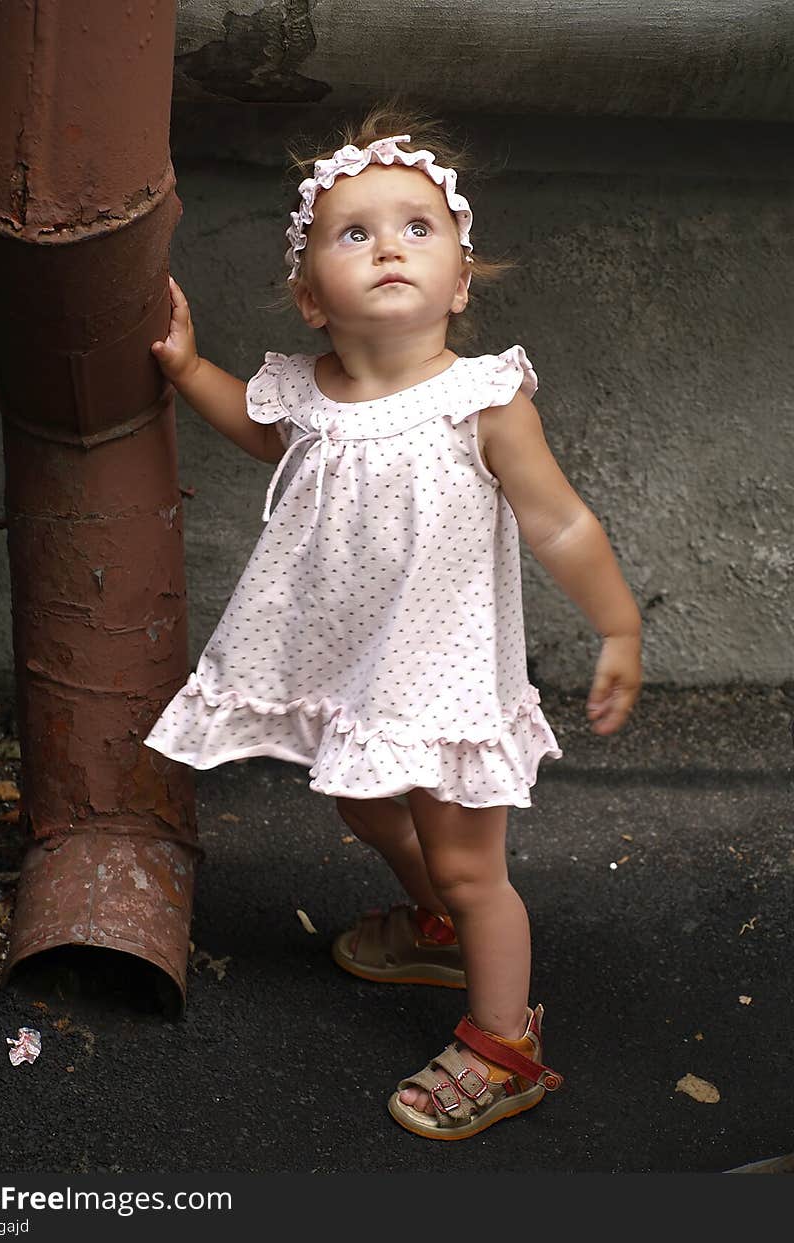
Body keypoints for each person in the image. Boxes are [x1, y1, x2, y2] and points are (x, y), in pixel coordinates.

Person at [145, 104, 642, 1140]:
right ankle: (438, 928)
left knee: (473, 865)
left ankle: (506, 1043)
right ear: (308, 296)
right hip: (350, 670)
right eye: (353, 232)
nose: (386, 247)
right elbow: (264, 436)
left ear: (459, 283)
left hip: (442, 680)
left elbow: (557, 519)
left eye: (417, 227)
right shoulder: (308, 391)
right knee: (367, 810)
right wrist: (192, 369)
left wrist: (617, 627)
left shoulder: (482, 398)